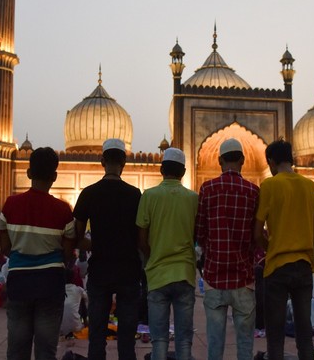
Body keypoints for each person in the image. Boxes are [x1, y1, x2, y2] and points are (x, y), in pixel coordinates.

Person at [0, 147, 76, 360]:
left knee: (17, 348)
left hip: (19, 282)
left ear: (29, 173)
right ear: (55, 176)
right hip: (50, 283)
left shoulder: (10, 205)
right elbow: (68, 253)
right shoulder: (63, 210)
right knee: (46, 350)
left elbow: (5, 247)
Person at [73, 138, 142, 360]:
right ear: (124, 162)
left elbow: (76, 236)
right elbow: (141, 237)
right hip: (128, 272)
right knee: (126, 338)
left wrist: (97, 245)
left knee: (97, 335)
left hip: (99, 271)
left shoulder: (89, 193)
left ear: (102, 161)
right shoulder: (135, 194)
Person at [253, 140, 314, 360]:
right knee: (304, 332)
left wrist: (270, 248)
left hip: (277, 267)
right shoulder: (310, 186)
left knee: (275, 334)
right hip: (303, 266)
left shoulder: (270, 185)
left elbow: (257, 233)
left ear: (271, 162)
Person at [195, 138, 260, 360]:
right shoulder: (253, 191)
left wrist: (212, 250)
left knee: (215, 345)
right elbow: (256, 234)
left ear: (219, 159)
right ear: (243, 159)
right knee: (245, 346)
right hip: (244, 277)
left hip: (215, 278)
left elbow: (200, 232)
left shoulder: (208, 189)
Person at [136, 147, 198, 360]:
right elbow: (197, 234)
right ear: (183, 172)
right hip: (184, 274)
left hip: (158, 275)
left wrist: (152, 257)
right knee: (183, 339)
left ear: (162, 170)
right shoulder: (193, 198)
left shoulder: (149, 196)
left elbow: (142, 239)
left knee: (159, 339)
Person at [61, 268, 88, 337]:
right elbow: (88, 299)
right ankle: (85, 321)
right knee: (81, 301)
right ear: (74, 278)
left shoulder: (58, 290)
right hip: (76, 327)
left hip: (60, 328)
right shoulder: (78, 290)